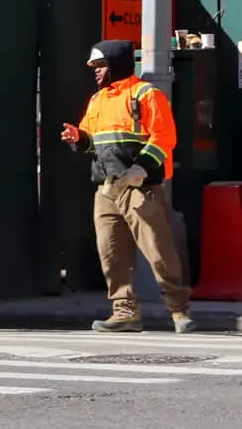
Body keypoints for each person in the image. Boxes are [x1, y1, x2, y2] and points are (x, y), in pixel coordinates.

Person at [60, 40, 195, 333]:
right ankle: (124, 313)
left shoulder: (146, 94)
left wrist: (140, 169)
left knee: (159, 252)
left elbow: (164, 138)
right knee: (111, 255)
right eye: (94, 68)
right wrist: (79, 139)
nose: (96, 72)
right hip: (106, 190)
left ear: (117, 64)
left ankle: (179, 311)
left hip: (140, 188)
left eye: (101, 66)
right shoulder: (97, 101)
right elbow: (92, 142)